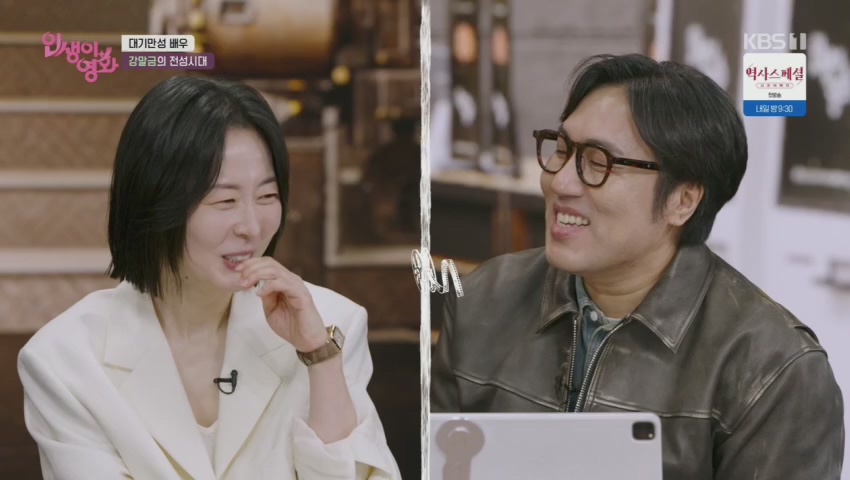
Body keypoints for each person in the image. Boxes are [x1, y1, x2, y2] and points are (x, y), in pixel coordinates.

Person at [431, 53, 845, 479]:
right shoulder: (483, 300)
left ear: (683, 200)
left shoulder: (773, 369)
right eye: (562, 149)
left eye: (598, 162)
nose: (560, 181)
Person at [18, 76, 401, 480]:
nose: (251, 227)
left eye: (267, 196)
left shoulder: (332, 325)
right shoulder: (64, 360)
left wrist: (319, 358)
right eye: (225, 200)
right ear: (156, 201)